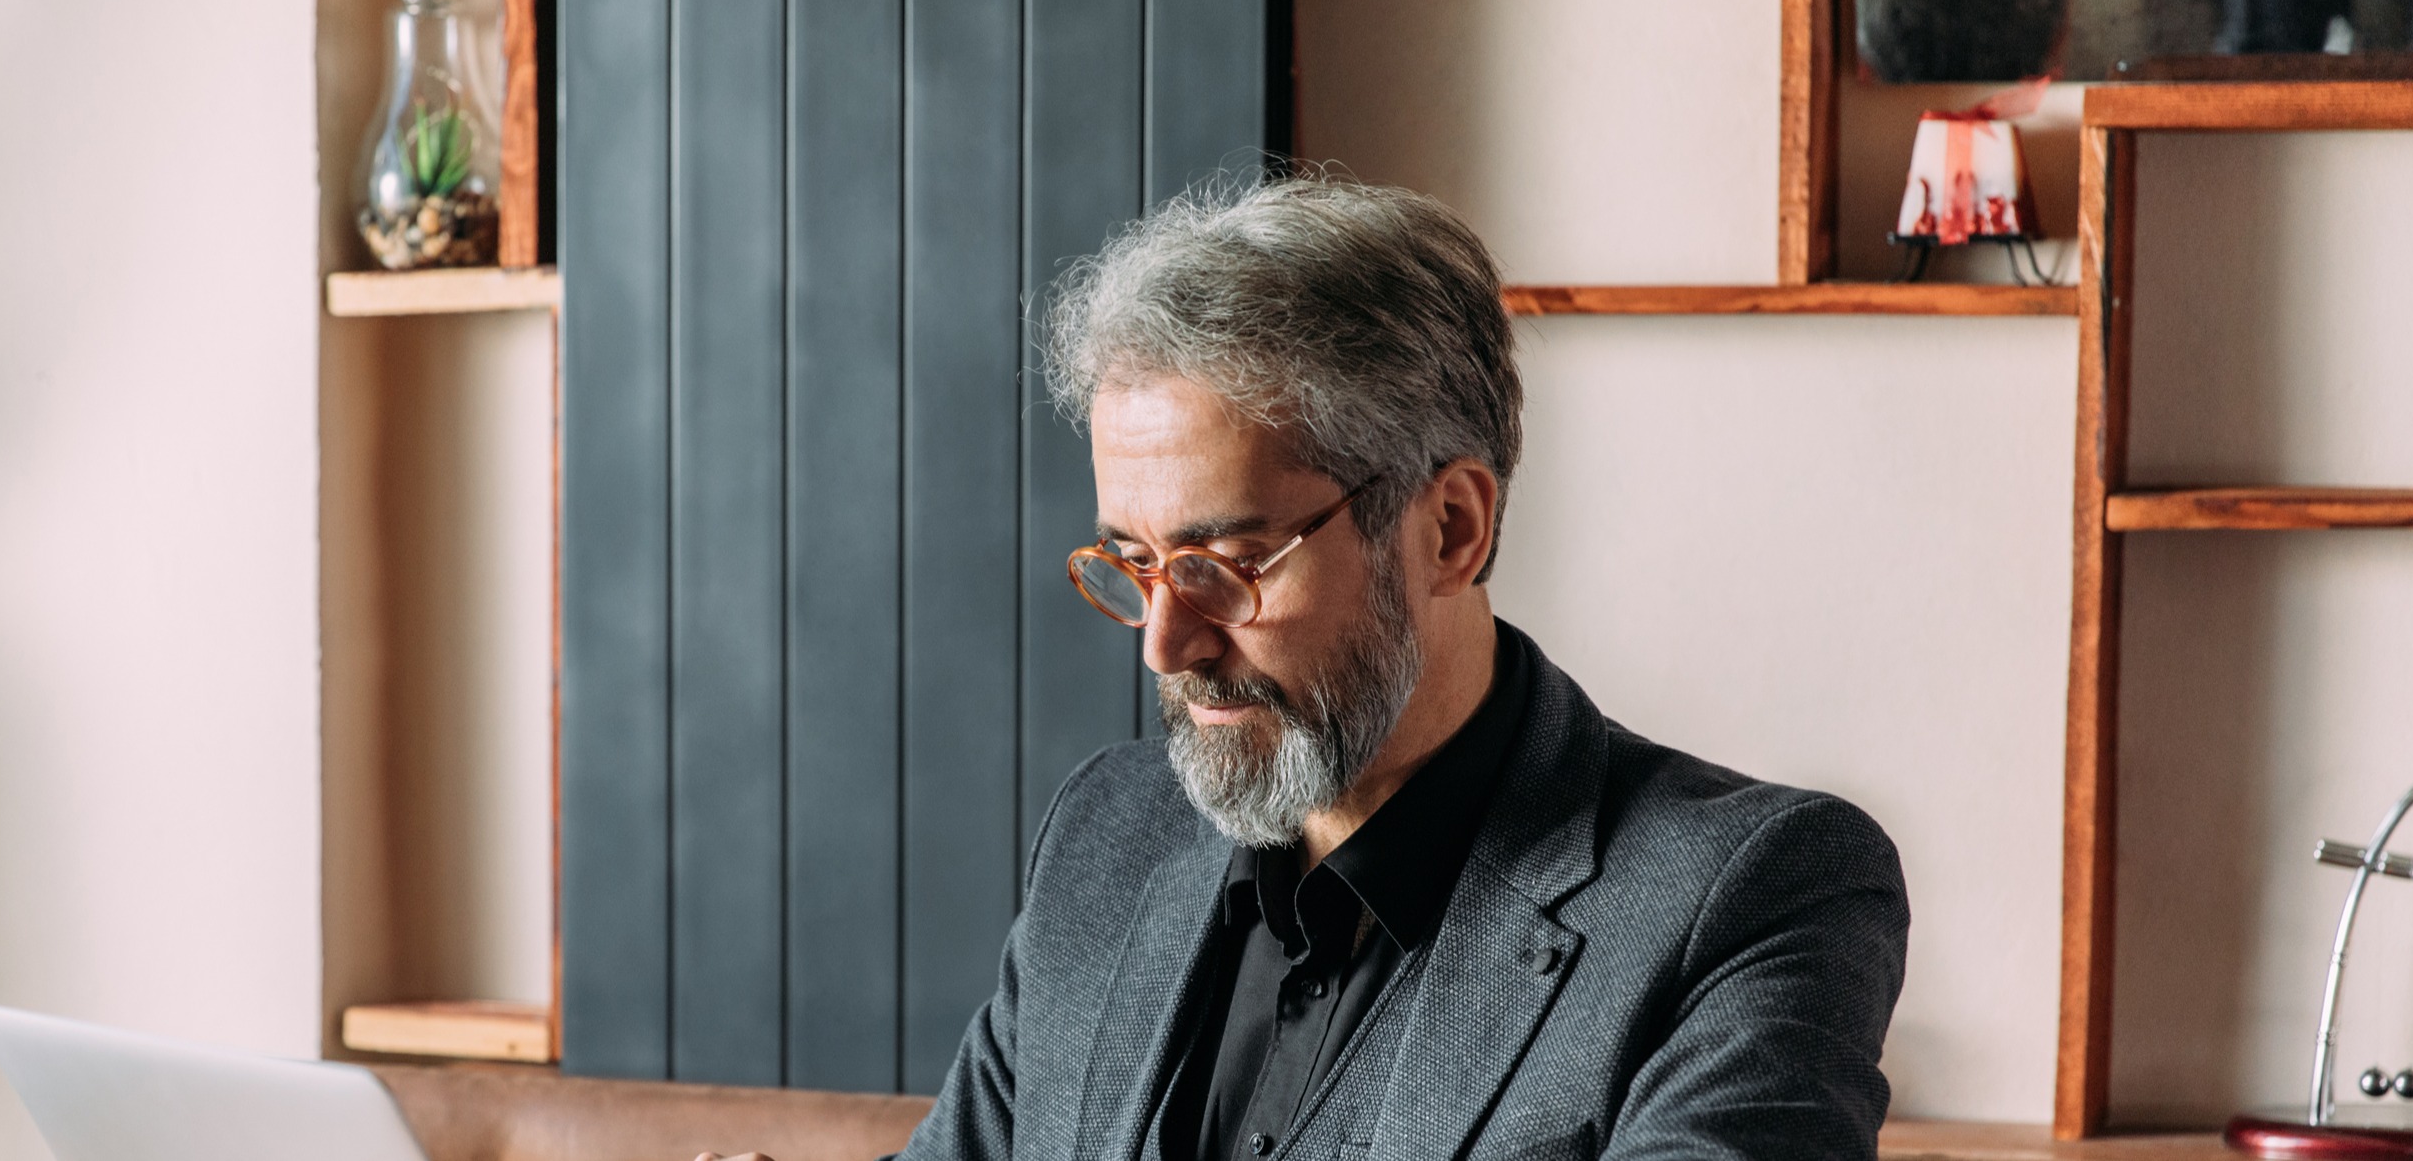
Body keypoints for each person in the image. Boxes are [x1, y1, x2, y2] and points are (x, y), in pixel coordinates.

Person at [704, 175, 1909, 1161]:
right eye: (1131, 560)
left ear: (1449, 528)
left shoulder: (1756, 896)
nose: (1164, 642)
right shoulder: (1105, 839)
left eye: (1228, 562)